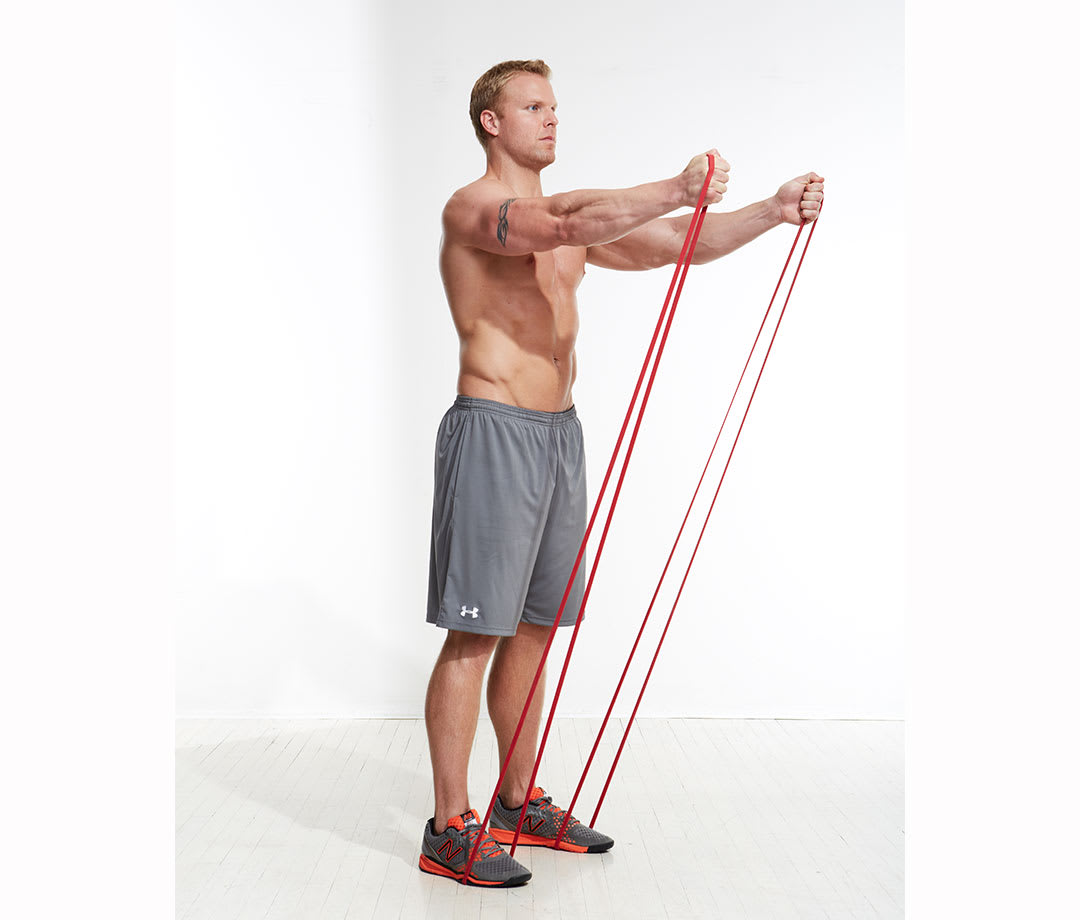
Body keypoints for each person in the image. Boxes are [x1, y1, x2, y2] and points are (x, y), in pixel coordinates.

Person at [418, 59, 823, 888]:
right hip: (493, 429)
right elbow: (563, 219)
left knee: (536, 626)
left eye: (554, 106)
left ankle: (516, 803)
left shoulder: (576, 227)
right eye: (533, 106)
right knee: (476, 631)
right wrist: (675, 185)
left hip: (560, 435)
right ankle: (448, 825)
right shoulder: (475, 208)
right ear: (491, 121)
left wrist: (770, 211)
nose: (551, 118)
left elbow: (676, 244)